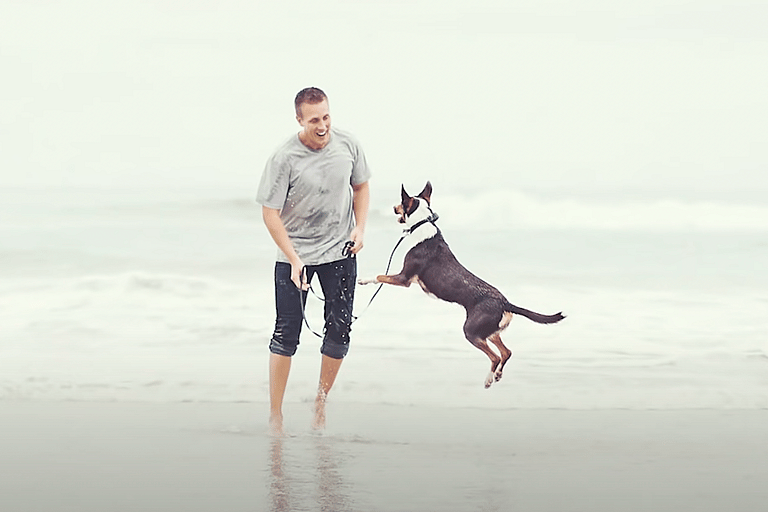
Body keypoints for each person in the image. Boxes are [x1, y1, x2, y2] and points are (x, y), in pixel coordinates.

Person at [256, 87, 371, 435]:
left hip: (340, 252)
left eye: (326, 117)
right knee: (286, 334)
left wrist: (360, 228)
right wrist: (293, 258)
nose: (323, 126)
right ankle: (276, 416)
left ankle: (320, 401)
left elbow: (361, 187)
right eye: (314, 120)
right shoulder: (283, 158)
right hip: (296, 256)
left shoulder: (348, 145)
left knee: (339, 330)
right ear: (299, 120)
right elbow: (270, 213)